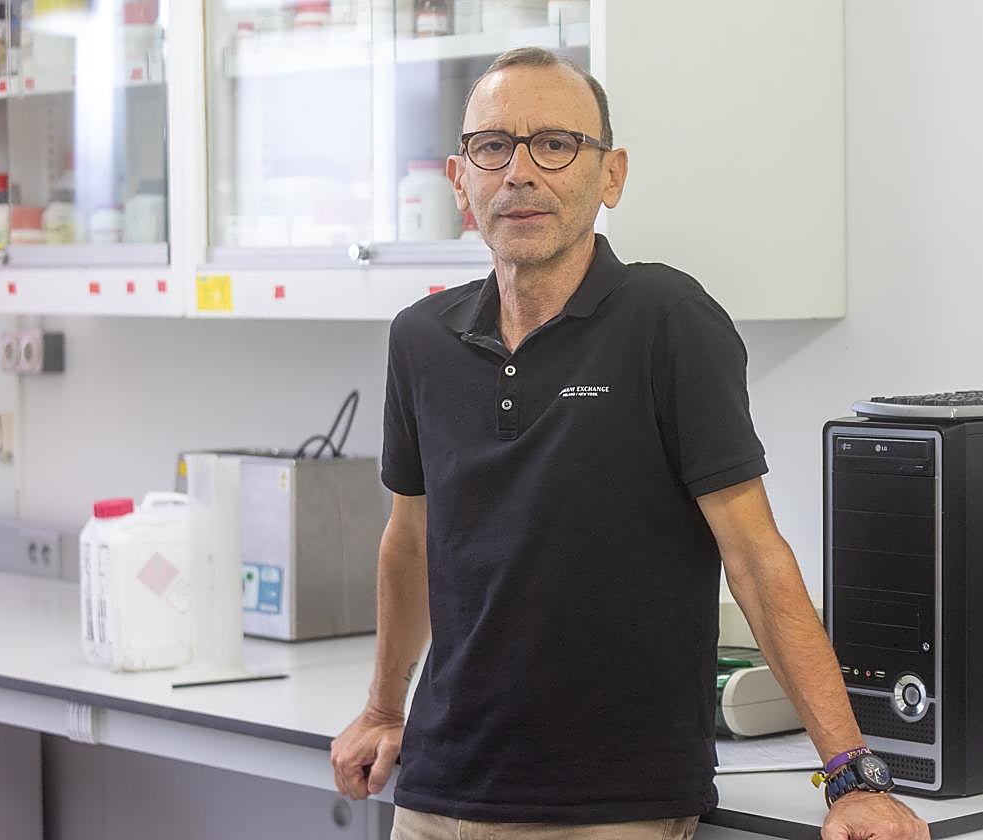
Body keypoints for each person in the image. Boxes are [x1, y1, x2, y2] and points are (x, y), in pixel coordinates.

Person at [331, 46, 929, 840]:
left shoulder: (666, 319)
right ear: (460, 181)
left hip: (612, 805)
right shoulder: (421, 340)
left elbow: (755, 557)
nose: (519, 172)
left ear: (610, 176)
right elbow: (409, 544)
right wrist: (381, 708)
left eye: (555, 144)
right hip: (439, 791)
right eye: (493, 147)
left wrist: (851, 776)